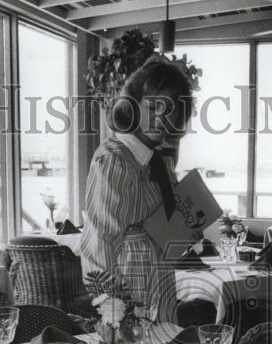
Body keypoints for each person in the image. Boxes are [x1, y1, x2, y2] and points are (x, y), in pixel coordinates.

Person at [80, 56, 194, 323]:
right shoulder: (114, 159)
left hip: (161, 280)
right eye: (153, 106)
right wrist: (116, 315)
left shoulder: (161, 158)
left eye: (171, 109)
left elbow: (170, 219)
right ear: (132, 106)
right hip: (129, 288)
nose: (161, 117)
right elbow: (99, 248)